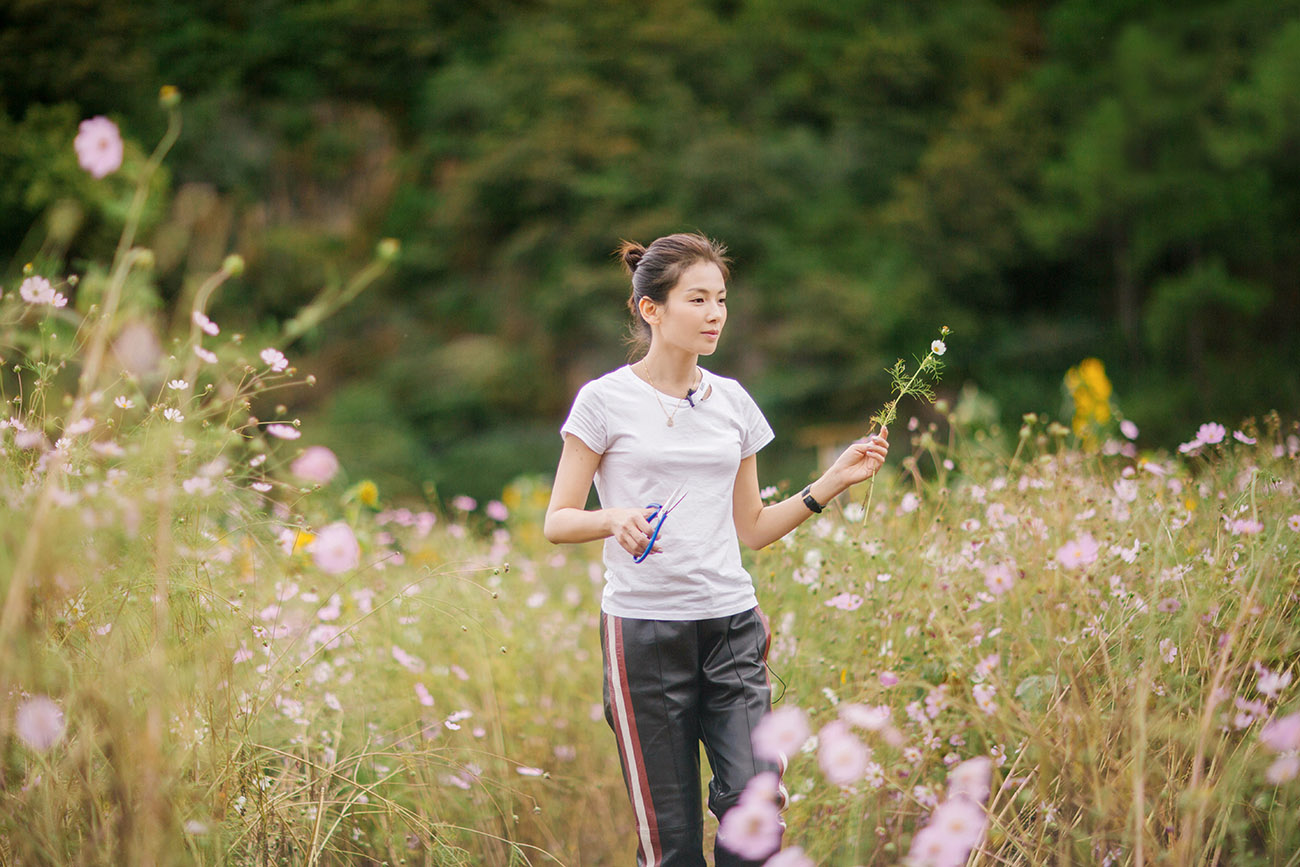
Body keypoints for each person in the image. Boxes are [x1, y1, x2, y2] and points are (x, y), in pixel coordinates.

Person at [543, 232, 889, 866]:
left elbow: (752, 528)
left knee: (755, 808)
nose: (714, 315)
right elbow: (558, 520)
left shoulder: (733, 402)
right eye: (697, 299)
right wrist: (612, 518)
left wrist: (832, 482)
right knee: (670, 843)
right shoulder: (603, 401)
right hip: (644, 635)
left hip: (730, 626)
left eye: (721, 300)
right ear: (652, 309)